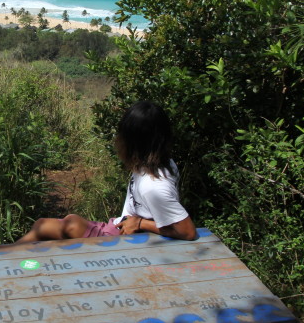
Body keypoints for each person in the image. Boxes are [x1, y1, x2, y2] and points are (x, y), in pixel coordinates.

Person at [17, 101, 196, 242]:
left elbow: (187, 231)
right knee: (68, 221)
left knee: (45, 226)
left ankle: (2, 261)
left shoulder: (153, 186)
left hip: (122, 240)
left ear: (133, 141)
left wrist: (141, 223)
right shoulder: (160, 163)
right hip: (120, 227)